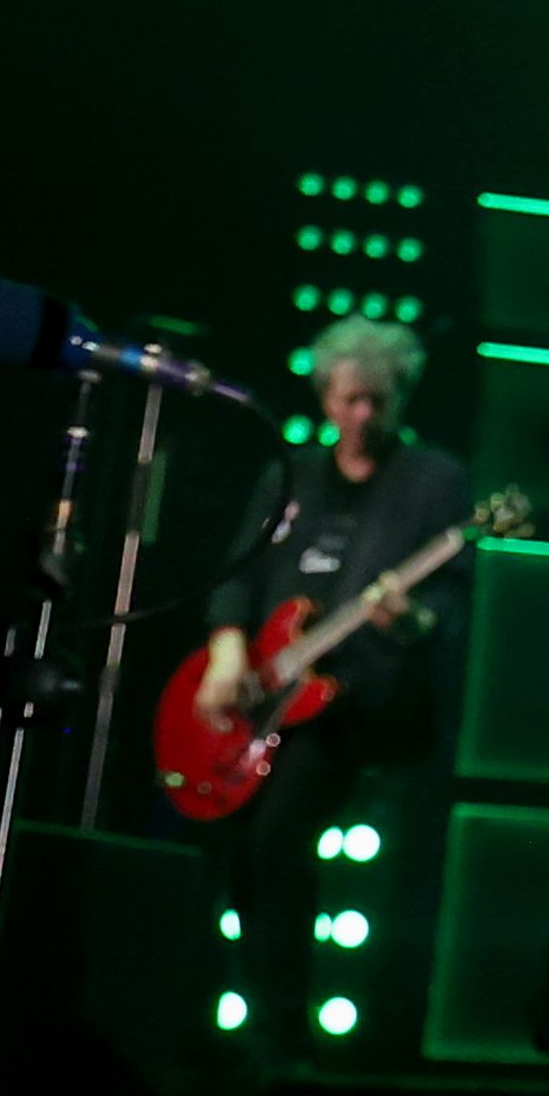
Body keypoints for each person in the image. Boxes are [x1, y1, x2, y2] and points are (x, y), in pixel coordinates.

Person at [187, 318, 468, 1054]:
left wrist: (405, 622)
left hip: (351, 704)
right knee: (220, 848)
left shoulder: (431, 481)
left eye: (377, 400)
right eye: (350, 400)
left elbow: (451, 605)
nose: (363, 416)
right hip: (258, 691)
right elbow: (237, 574)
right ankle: (224, 1021)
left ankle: (282, 1036)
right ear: (325, 397)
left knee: (280, 839)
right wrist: (224, 654)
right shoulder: (289, 474)